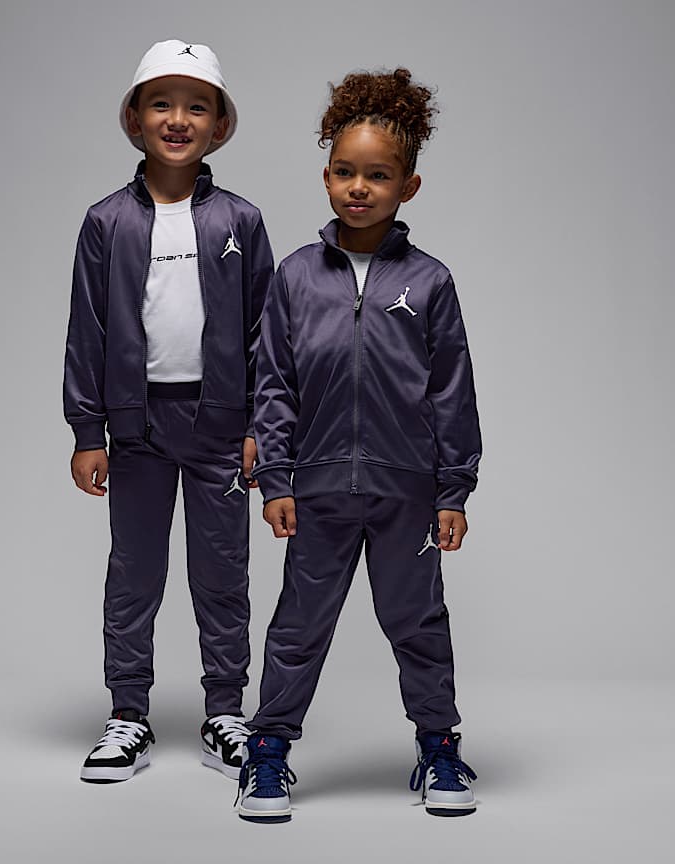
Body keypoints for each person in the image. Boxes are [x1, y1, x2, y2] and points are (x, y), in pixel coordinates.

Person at [236, 68, 481, 821]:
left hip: (407, 493)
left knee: (418, 623)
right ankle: (267, 752)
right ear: (326, 177)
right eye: (345, 172)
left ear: (408, 186)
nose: (359, 188)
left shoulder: (430, 282)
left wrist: (453, 491)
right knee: (299, 625)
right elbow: (274, 384)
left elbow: (452, 392)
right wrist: (277, 479)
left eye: (378, 175)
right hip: (316, 491)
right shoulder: (295, 277)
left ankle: (439, 748)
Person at [63, 39, 274, 783]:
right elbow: (87, 330)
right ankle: (128, 715)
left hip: (221, 428)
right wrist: (88, 430)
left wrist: (262, 427)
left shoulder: (241, 222)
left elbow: (266, 334)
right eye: (161, 103)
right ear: (134, 118)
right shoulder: (106, 222)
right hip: (137, 428)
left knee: (222, 573)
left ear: (220, 124)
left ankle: (226, 713)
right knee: (135, 573)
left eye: (196, 106)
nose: (178, 119)